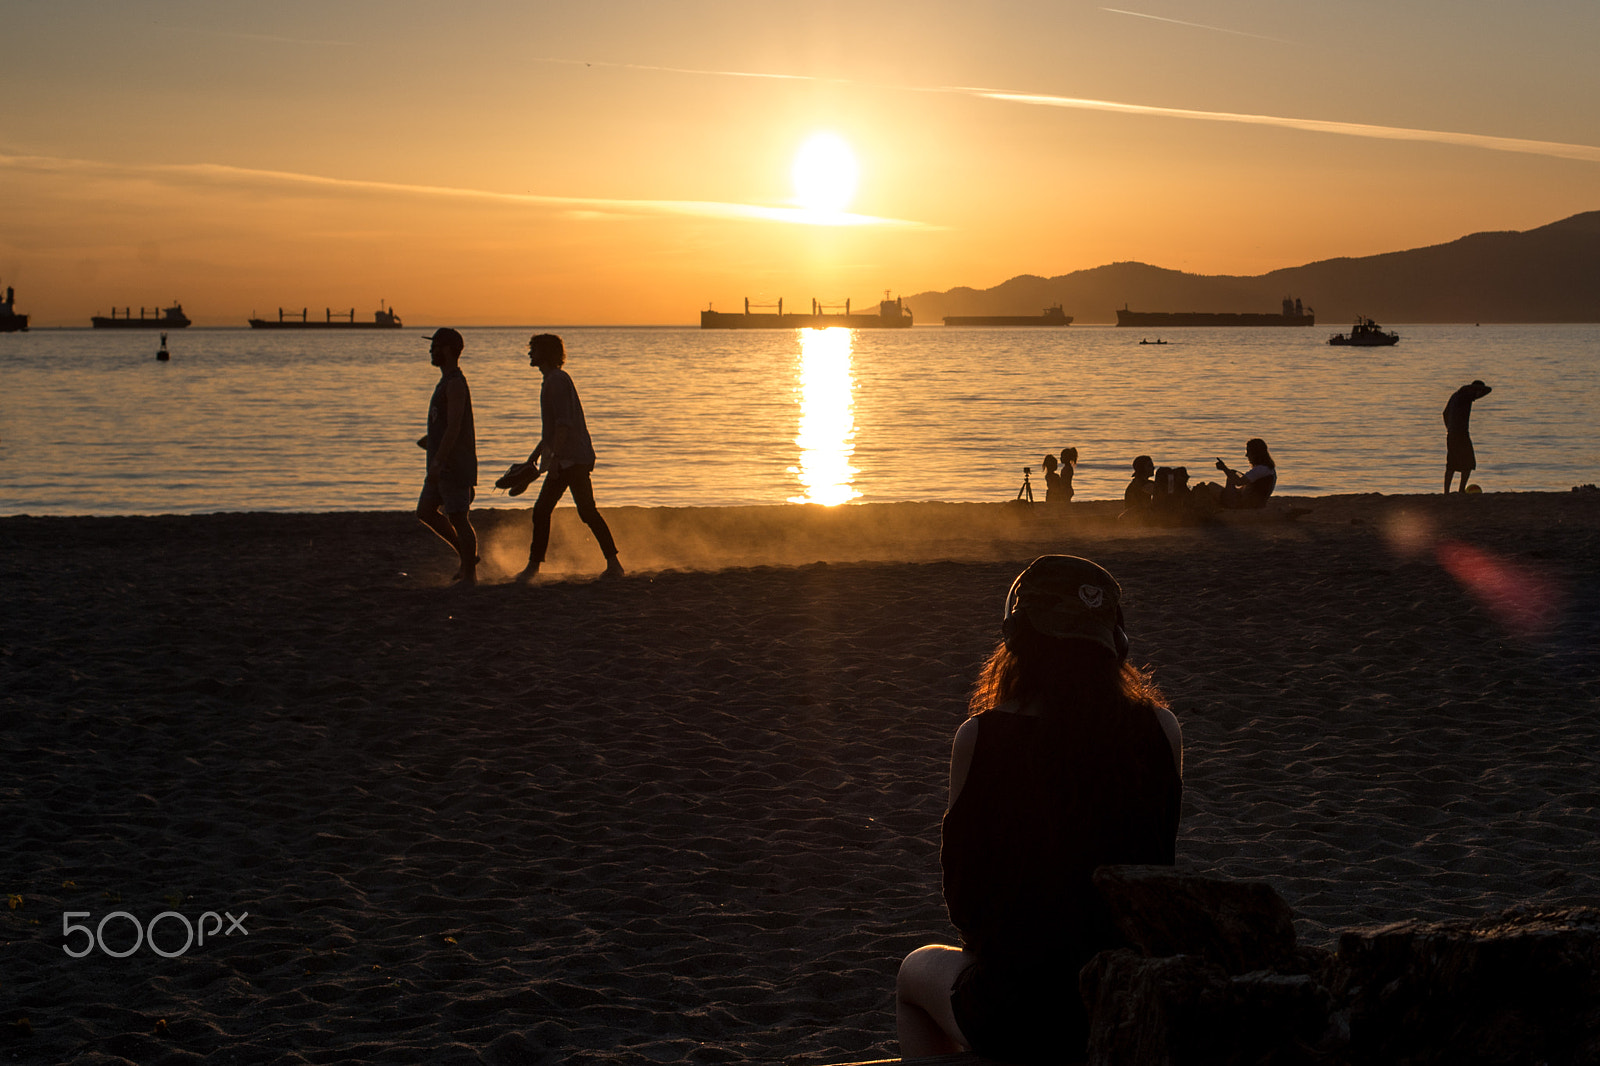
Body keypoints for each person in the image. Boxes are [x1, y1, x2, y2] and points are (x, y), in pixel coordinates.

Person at [895, 556, 1183, 1064]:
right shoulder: (1162, 730)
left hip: (1018, 1004)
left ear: (1016, 638)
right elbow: (1156, 867)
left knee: (913, 973)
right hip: (1122, 991)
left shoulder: (980, 736)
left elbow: (964, 900)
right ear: (1114, 644)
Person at [515, 334, 623, 582]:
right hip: (571, 458)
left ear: (547, 353)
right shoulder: (553, 380)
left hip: (571, 460)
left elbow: (563, 425)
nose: (530, 354)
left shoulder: (556, 381)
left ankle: (534, 568)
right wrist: (532, 459)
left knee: (548, 511)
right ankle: (614, 564)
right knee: (582, 512)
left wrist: (553, 461)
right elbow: (551, 432)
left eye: (534, 350)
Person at [415, 327, 478, 587]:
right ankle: (467, 558)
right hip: (440, 463)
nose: (431, 350)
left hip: (453, 466)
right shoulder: (445, 382)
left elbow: (454, 427)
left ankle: (470, 574)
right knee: (425, 512)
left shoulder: (454, 383)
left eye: (437, 346)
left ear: (450, 349)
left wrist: (439, 461)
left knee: (458, 518)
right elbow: (447, 425)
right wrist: (431, 441)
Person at [1444, 380, 1492, 493]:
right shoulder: (1465, 396)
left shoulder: (1457, 395)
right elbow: (1489, 390)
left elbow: (1444, 413)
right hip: (1460, 433)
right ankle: (1460, 490)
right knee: (1468, 462)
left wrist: (1449, 428)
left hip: (1453, 433)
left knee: (1452, 462)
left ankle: (1447, 491)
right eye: (1479, 392)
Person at [1213, 438, 1277, 509]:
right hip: (1254, 502)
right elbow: (1248, 482)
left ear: (1256, 453)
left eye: (1248, 452)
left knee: (1212, 487)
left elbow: (1238, 482)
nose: (1246, 455)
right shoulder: (1267, 469)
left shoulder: (1261, 469)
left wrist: (1224, 469)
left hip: (1247, 504)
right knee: (1230, 477)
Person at [1120, 455, 1155, 519]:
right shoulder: (1139, 484)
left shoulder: (1145, 482)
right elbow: (1158, 491)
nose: (1153, 468)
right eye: (1150, 466)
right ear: (1142, 468)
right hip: (1134, 515)